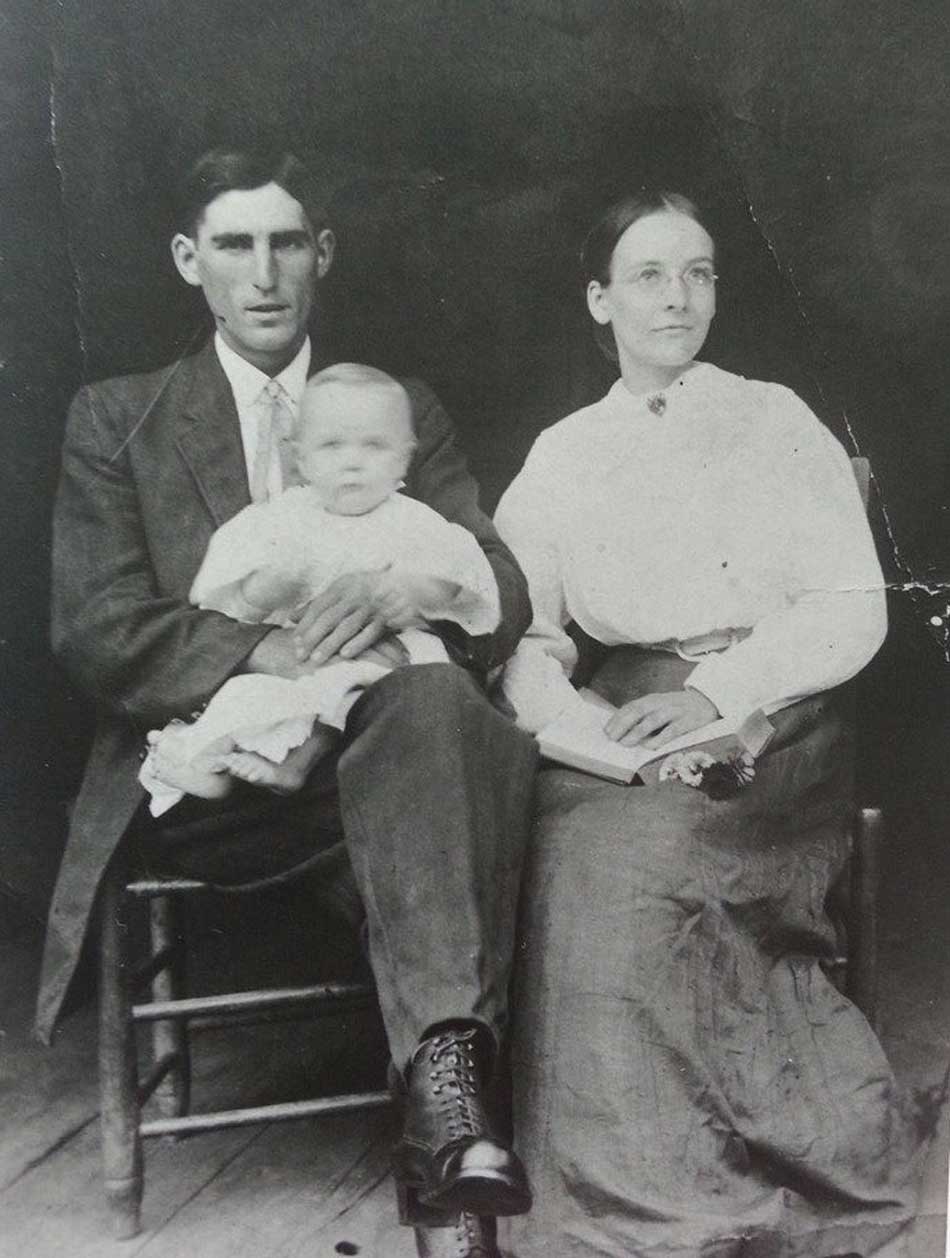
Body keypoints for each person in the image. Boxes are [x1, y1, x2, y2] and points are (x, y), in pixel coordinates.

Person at [40, 146, 536, 1258]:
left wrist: (415, 586)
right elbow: (99, 627)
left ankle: (450, 1128)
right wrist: (268, 648)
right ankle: (459, 1125)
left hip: (395, 757)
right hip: (230, 783)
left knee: (433, 712)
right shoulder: (118, 417)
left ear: (322, 253)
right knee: (447, 772)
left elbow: (497, 586)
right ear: (189, 261)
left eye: (283, 243)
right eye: (232, 244)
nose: (262, 274)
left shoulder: (397, 412)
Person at [494, 190, 917, 1257]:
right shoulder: (561, 452)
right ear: (598, 300)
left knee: (645, 858)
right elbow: (525, 634)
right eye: (646, 275)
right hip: (625, 712)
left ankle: (693, 1196)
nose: (676, 297)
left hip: (776, 707)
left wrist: (719, 695)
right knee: (561, 838)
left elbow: (846, 604)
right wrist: (578, 724)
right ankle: (611, 1198)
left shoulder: (773, 416)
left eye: (699, 272)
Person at [141, 361, 500, 814]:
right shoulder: (278, 521)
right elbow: (225, 602)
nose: (352, 462)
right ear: (300, 457)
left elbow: (459, 583)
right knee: (245, 694)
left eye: (374, 446)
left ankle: (295, 764)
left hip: (388, 661)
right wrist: (265, 589)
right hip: (297, 653)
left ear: (405, 456)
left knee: (350, 689)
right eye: (332, 446)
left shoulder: (414, 521)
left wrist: (410, 591)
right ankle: (204, 756)